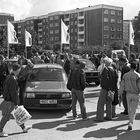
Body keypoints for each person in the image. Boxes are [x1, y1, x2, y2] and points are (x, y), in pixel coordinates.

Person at [0, 63, 32, 137]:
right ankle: (0, 131)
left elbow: (6, 89)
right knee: (6, 117)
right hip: (10, 101)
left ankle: (24, 128)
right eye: (19, 70)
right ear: (17, 70)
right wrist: (15, 103)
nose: (20, 71)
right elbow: (13, 92)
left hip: (9, 100)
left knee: (17, 115)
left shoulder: (9, 77)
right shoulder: (13, 79)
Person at [118, 62, 140, 130]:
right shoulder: (138, 75)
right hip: (135, 94)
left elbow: (122, 85)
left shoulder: (125, 75)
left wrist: (120, 93)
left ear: (130, 67)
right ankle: (131, 122)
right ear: (136, 67)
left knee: (130, 109)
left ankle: (130, 121)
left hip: (128, 94)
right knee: (133, 110)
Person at [95, 58, 118, 122]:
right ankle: (109, 116)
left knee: (101, 104)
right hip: (111, 89)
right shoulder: (114, 70)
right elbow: (116, 80)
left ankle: (100, 118)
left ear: (106, 63)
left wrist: (103, 86)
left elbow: (104, 79)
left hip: (105, 89)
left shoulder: (105, 69)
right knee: (109, 103)